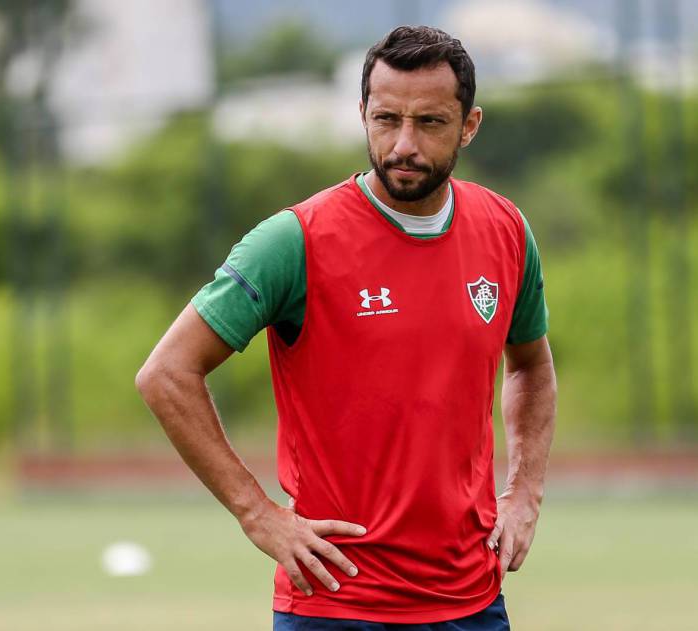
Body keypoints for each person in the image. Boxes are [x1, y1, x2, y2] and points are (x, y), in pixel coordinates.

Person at [135, 25, 557, 630]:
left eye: (430, 123)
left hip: (471, 602)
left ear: (469, 125)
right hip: (335, 603)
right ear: (362, 113)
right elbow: (166, 373)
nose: (403, 144)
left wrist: (524, 495)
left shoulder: (506, 230)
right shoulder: (295, 241)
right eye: (386, 119)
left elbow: (532, 367)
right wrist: (257, 513)